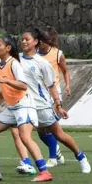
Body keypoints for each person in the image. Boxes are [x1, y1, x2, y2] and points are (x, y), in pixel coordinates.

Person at [7, 28, 91, 175]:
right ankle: (27, 163)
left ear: (36, 42)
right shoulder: (16, 60)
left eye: (27, 39)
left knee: (59, 135)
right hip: (23, 105)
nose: (23, 41)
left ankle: (81, 156)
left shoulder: (42, 63)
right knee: (19, 133)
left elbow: (51, 86)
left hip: (41, 105)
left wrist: (58, 105)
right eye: (22, 39)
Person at [0, 36, 52, 182]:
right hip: (13, 108)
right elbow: (8, 88)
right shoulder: (0, 66)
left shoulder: (14, 64)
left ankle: (45, 172)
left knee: (25, 137)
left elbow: (23, 85)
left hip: (25, 105)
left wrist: (6, 80)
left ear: (8, 48)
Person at [33, 26, 71, 167]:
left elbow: (65, 71)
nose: (40, 43)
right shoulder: (34, 55)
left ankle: (53, 158)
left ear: (48, 41)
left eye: (42, 41)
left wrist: (67, 85)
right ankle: (57, 153)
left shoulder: (57, 54)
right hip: (39, 94)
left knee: (51, 126)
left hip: (54, 93)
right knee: (41, 129)